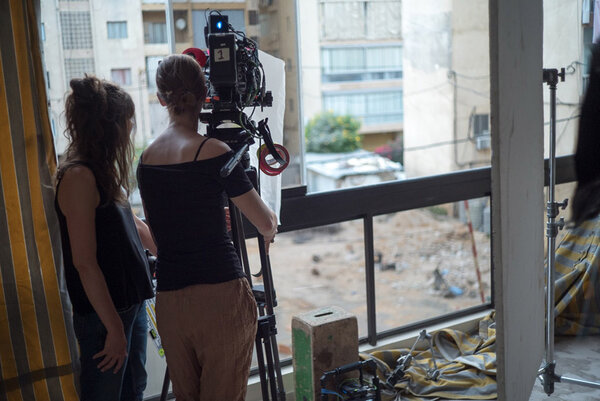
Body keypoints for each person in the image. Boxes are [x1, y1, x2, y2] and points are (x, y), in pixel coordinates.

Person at [136, 54, 278, 401]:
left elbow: (160, 236)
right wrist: (269, 231)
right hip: (220, 297)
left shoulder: (146, 161)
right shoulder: (215, 152)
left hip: (170, 300)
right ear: (205, 95)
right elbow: (265, 221)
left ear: (160, 99)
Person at [55, 75, 155, 401]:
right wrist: (113, 328)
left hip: (132, 303)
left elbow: (133, 223)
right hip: (104, 316)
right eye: (128, 120)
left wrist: (174, 255)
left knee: (133, 390)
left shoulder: (104, 170)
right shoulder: (79, 176)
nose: (131, 128)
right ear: (109, 126)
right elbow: (84, 263)